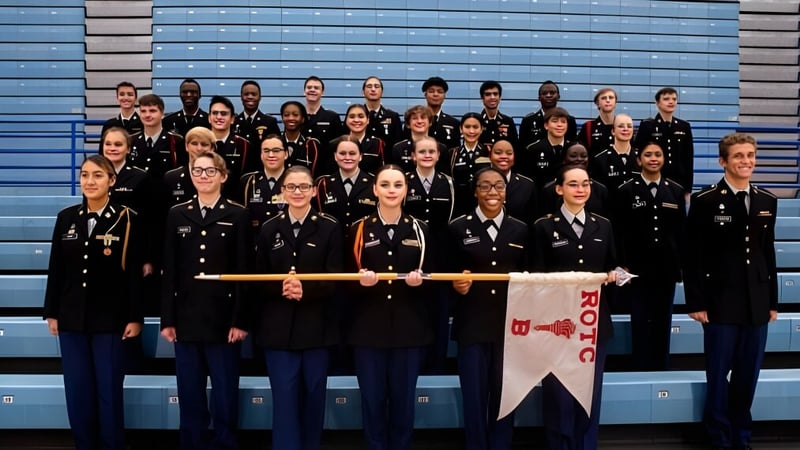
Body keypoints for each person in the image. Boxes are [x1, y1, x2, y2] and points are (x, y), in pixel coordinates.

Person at [684, 133, 777, 450]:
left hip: (757, 302)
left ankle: (741, 434)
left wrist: (772, 301)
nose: (746, 161)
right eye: (739, 156)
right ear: (723, 161)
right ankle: (718, 436)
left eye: (751, 155)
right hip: (720, 302)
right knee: (718, 374)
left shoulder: (767, 200)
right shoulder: (705, 200)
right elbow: (692, 255)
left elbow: (768, 253)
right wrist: (695, 301)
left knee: (748, 375)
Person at [44, 154, 143, 450]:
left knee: (108, 391)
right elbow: (56, 269)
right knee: (77, 390)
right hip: (72, 318)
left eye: (98, 175)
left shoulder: (127, 219)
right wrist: (52, 312)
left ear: (112, 181)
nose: (90, 181)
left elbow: (135, 275)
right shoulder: (66, 218)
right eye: (85, 175)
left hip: (111, 320)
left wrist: (135, 317)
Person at [160, 151, 251, 450]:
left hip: (223, 320)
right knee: (189, 390)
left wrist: (240, 319)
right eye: (197, 171)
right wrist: (168, 319)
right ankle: (192, 442)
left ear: (223, 176)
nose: (203, 176)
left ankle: (226, 442)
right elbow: (170, 271)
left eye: (210, 171)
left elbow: (242, 271)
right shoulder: (177, 213)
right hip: (186, 318)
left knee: (225, 391)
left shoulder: (237, 214)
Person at [255, 165, 343, 450]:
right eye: (291, 187)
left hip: (317, 329)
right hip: (279, 332)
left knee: (314, 397)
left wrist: (306, 289)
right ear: (282, 192)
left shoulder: (329, 226)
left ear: (314, 191)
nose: (297, 192)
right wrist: (280, 287)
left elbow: (335, 276)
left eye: (303, 187)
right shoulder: (269, 229)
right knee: (284, 400)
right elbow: (259, 278)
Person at [349, 164, 433, 450]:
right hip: (368, 330)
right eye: (385, 185)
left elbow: (437, 279)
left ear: (406, 190)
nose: (391, 190)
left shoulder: (421, 229)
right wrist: (359, 283)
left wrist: (421, 283)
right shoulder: (358, 229)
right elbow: (342, 279)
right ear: (374, 190)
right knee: (372, 402)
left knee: (403, 403)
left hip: (409, 330)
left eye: (398, 185)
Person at [532, 164, 616, 450]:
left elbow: (614, 264)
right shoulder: (544, 226)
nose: (581, 190)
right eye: (573, 184)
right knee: (558, 395)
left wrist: (617, 273)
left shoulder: (603, 225)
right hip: (558, 323)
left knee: (589, 394)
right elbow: (535, 277)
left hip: (594, 322)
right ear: (559, 189)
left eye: (585, 184)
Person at [450, 167, 529, 450]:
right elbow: (448, 272)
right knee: (473, 397)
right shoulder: (458, 227)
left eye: (498, 186)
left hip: (509, 326)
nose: (492, 192)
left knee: (504, 396)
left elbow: (529, 276)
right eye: (485, 186)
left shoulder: (521, 228)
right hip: (472, 324)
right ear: (475, 191)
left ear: (506, 192)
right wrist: (456, 284)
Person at [615, 142, 686, 371]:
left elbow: (681, 231)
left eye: (657, 154)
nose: (653, 158)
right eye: (647, 155)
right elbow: (620, 231)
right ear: (639, 160)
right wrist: (622, 265)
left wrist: (681, 265)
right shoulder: (626, 190)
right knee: (640, 320)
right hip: (636, 269)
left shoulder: (675, 190)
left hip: (666, 268)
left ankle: (661, 366)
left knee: (663, 321)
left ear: (664, 158)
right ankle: (640, 367)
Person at [403, 136, 455, 373]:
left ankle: (437, 364)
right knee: (414, 311)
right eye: (421, 151)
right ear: (413, 155)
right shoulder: (404, 181)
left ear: (437, 155)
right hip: (411, 254)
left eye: (431, 151)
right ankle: (414, 363)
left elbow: (452, 221)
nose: (426, 155)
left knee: (440, 312)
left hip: (441, 256)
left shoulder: (449, 183)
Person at [102, 127, 161, 316]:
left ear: (128, 149)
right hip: (103, 249)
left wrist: (149, 259)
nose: (112, 148)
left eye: (118, 144)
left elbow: (152, 221)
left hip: (133, 251)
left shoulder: (140, 177)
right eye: (108, 144)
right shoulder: (94, 175)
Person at [633, 87, 694, 192]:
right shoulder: (648, 126)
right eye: (666, 99)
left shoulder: (684, 126)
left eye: (674, 99)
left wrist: (688, 189)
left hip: (678, 181)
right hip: (655, 179)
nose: (671, 102)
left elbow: (688, 159)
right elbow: (639, 155)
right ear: (657, 103)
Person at [314, 137, 377, 237]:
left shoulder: (374, 184)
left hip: (363, 243)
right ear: (335, 156)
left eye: (352, 153)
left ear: (360, 156)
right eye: (342, 153)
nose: (347, 157)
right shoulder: (323, 184)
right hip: (333, 244)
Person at [540, 143, 610, 217]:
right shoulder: (550, 190)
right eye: (573, 156)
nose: (579, 159)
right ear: (564, 159)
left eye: (583, 156)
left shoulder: (600, 190)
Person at [130, 93, 185, 180]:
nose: (147, 115)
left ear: (162, 114)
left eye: (152, 111)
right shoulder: (131, 140)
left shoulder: (176, 140)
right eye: (143, 111)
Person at [240, 134, 288, 232]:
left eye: (276, 151)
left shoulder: (295, 181)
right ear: (261, 155)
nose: (271, 155)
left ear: (286, 154)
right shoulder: (248, 181)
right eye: (266, 151)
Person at [207, 95, 252, 196]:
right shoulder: (200, 144)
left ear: (232, 119)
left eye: (224, 114)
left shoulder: (244, 146)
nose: (219, 117)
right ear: (209, 118)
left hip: (234, 201)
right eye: (215, 113)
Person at [489, 139, 538, 227]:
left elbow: (532, 220)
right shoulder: (479, 183)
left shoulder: (527, 185)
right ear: (490, 156)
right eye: (498, 152)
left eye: (509, 153)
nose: (504, 156)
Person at [520, 107, 572, 189]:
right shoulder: (533, 150)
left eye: (563, 121)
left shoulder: (573, 148)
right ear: (546, 125)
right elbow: (528, 181)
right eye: (555, 121)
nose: (559, 125)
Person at [162, 126, 215, 207]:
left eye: (204, 144)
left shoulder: (220, 176)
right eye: (194, 143)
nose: (199, 148)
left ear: (212, 148)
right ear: (186, 146)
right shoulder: (171, 177)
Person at [450, 112, 491, 217]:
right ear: (461, 129)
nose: (471, 131)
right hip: (459, 208)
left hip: (484, 205)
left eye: (475, 127)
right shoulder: (452, 153)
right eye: (467, 127)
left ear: (481, 129)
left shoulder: (489, 151)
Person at [590, 113, 639, 199]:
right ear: (613, 131)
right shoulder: (600, 159)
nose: (625, 129)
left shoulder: (641, 158)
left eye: (629, 126)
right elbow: (597, 192)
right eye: (621, 126)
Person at [519, 81, 578, 149]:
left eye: (552, 93)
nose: (548, 95)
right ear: (539, 98)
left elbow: (573, 146)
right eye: (544, 93)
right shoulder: (528, 121)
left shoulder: (569, 120)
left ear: (558, 97)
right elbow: (521, 149)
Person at [391, 105, 449, 174]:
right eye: (415, 118)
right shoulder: (398, 148)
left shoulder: (441, 148)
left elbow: (444, 176)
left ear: (430, 123)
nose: (419, 121)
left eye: (423, 118)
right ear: (408, 124)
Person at [331, 103, 386, 174]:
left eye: (361, 116)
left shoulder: (378, 144)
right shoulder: (334, 144)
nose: (356, 120)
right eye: (352, 117)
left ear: (368, 120)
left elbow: (382, 171)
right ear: (346, 120)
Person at [234, 79, 280, 152]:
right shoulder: (234, 122)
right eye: (246, 94)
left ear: (260, 97)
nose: (250, 97)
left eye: (254, 94)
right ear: (241, 97)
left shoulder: (269, 122)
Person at [280, 100, 322, 177]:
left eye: (295, 115)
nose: (290, 118)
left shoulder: (312, 146)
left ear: (302, 119)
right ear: (282, 118)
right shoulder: (276, 143)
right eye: (286, 115)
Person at [303, 75, 344, 147]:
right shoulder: (297, 117)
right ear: (304, 92)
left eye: (316, 88)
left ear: (322, 93)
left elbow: (338, 145)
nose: (312, 90)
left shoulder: (332, 117)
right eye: (309, 87)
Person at [422, 76, 461, 150]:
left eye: (440, 92)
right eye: (431, 91)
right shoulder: (415, 121)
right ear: (425, 95)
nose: (435, 94)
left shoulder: (453, 123)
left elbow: (455, 151)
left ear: (444, 96)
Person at [363, 75, 403, 147]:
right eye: (369, 86)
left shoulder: (393, 117)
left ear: (382, 92)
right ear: (363, 92)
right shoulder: (356, 116)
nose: (373, 89)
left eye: (377, 86)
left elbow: (398, 145)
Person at [99, 81, 142, 148]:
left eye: (130, 94)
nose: (126, 98)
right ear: (117, 97)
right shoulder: (109, 124)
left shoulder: (143, 123)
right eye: (122, 94)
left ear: (135, 98)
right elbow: (102, 151)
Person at [478, 80, 518, 151]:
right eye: (488, 94)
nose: (492, 97)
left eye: (495, 94)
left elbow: (515, 148)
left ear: (500, 98)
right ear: (482, 98)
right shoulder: (477, 121)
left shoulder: (508, 121)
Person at [578, 87, 617, 157]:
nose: (608, 100)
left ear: (615, 102)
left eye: (611, 97)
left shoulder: (623, 126)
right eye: (604, 98)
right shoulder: (588, 127)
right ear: (597, 103)